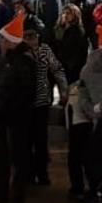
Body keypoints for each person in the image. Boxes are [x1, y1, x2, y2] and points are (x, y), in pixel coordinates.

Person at [0, 12, 38, 203]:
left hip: (15, 120)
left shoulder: (23, 62)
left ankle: (15, 199)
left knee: (17, 160)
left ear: (11, 42)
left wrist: (5, 110)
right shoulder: (3, 59)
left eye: (2, 38)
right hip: (0, 118)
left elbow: (23, 92)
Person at [25, 22, 69, 186]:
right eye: (28, 37)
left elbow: (56, 68)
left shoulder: (45, 50)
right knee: (27, 139)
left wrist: (64, 89)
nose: (31, 40)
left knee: (41, 139)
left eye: (34, 37)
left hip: (42, 99)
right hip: (25, 102)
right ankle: (28, 172)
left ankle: (42, 172)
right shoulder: (20, 52)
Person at [54, 4, 90, 85]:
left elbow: (81, 52)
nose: (65, 15)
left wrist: (71, 65)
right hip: (61, 67)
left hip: (72, 69)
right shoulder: (60, 29)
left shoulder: (77, 31)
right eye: (64, 13)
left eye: (68, 13)